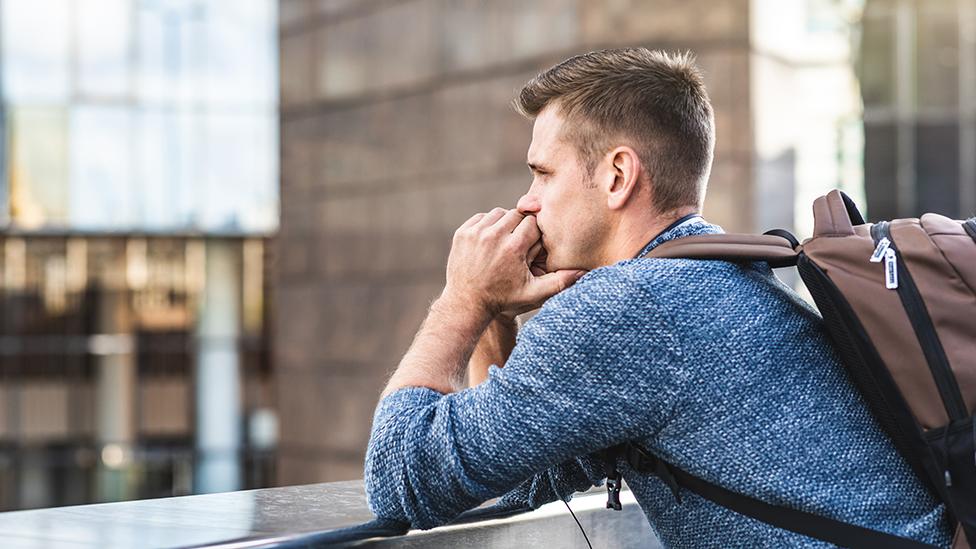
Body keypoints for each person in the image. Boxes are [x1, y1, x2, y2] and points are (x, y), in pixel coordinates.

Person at [363, 48, 952, 547]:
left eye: (543, 173)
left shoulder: (629, 309)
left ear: (618, 176)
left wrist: (462, 298)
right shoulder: (721, 272)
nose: (526, 203)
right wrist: (494, 312)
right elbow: (519, 470)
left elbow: (401, 478)